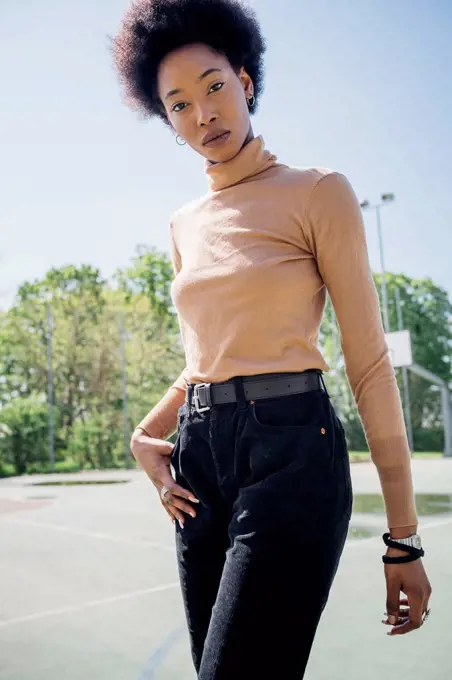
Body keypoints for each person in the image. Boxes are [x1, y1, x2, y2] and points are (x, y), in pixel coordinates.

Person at [114, 1, 432, 677]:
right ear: (166, 121)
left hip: (292, 453)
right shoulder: (182, 225)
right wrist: (148, 432)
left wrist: (403, 538)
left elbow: (369, 360)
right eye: (179, 104)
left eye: (214, 87)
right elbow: (206, 357)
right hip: (200, 463)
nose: (203, 114)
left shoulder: (318, 192)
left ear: (246, 80)